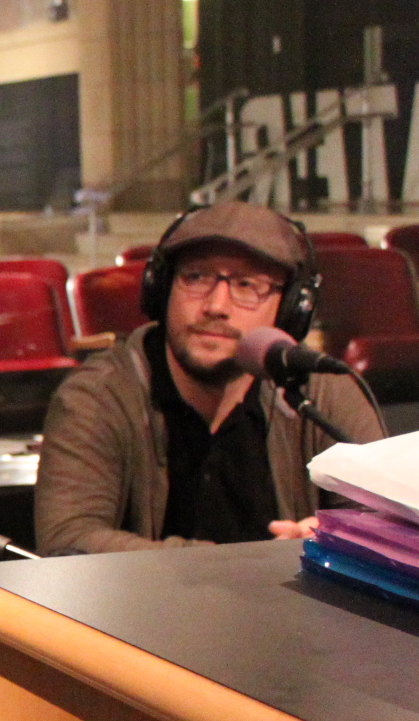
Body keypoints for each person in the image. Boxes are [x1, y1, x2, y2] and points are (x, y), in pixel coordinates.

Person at [35, 200, 383, 555]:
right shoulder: (99, 394)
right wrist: (236, 566)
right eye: (197, 277)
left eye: (248, 285)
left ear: (293, 309)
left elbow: (384, 525)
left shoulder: (323, 394)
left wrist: (331, 536)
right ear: (162, 288)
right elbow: (68, 540)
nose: (216, 306)